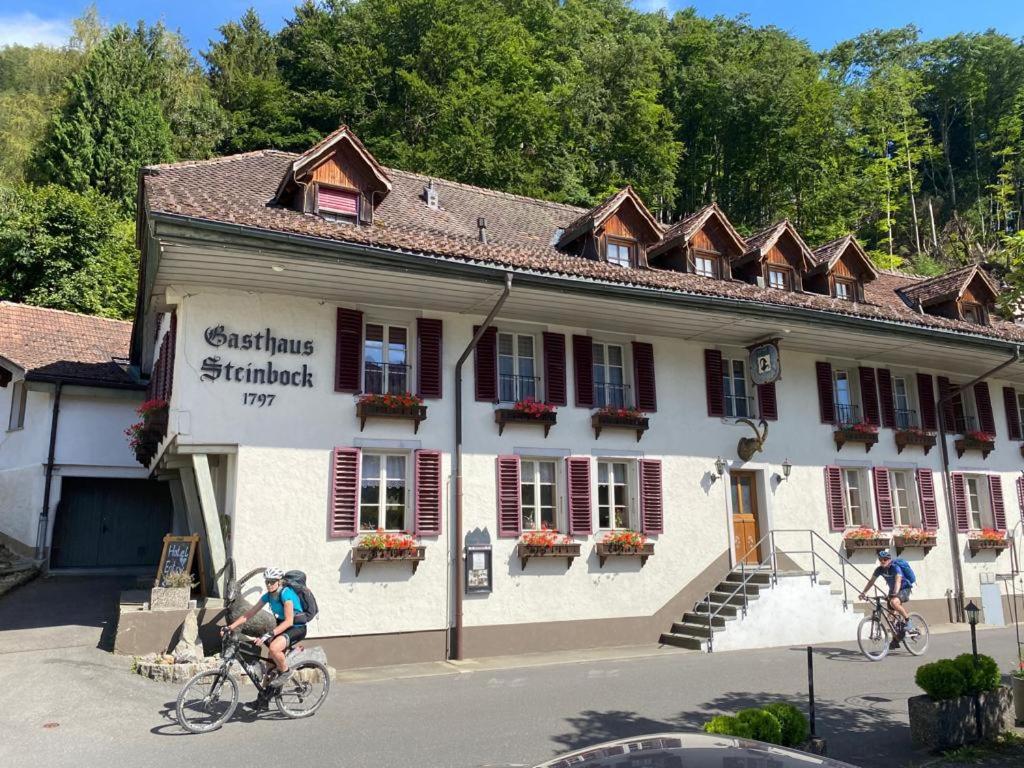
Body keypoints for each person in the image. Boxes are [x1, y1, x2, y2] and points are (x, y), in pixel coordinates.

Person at [222, 567, 306, 690]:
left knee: (273, 648)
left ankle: (286, 672)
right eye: (267, 581)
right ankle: (263, 700)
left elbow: (289, 621)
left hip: (296, 627)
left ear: (279, 581)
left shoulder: (286, 593)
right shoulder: (268, 596)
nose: (269, 584)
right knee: (269, 667)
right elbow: (248, 614)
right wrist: (230, 627)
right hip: (281, 627)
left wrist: (269, 634)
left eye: (272, 581)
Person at [859, 549, 917, 638]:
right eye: (880, 559)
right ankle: (896, 639)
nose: (882, 561)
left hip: (904, 588)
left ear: (889, 560)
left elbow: (898, 580)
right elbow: (871, 582)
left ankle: (908, 621)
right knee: (890, 618)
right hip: (893, 590)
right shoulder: (879, 570)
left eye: (885, 559)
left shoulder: (895, 567)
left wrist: (895, 593)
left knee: (894, 602)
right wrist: (863, 593)